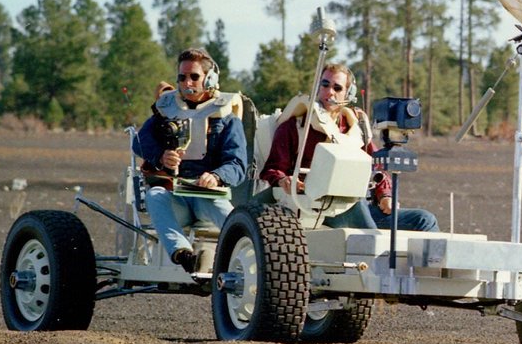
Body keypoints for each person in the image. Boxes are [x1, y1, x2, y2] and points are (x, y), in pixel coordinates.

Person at [261, 62, 437, 232]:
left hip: (360, 206)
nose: (329, 92)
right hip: (315, 209)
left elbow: (377, 167)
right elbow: (273, 169)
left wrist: (385, 196)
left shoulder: (356, 128)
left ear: (348, 94)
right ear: (317, 87)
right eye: (325, 84)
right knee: (359, 210)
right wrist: (285, 180)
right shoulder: (296, 127)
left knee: (424, 220)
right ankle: (377, 254)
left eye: (337, 88)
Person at [133, 48, 247, 272]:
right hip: (177, 197)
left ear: (210, 78)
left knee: (237, 223)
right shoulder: (167, 110)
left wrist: (216, 176)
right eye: (182, 77)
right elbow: (139, 141)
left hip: (208, 197)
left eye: (194, 76)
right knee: (155, 196)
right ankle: (183, 254)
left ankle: (251, 265)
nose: (187, 82)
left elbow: (237, 164)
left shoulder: (227, 118)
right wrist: (161, 156)